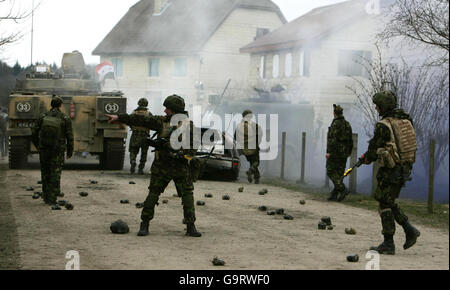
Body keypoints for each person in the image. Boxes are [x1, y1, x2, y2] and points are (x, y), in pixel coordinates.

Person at [105, 94, 202, 237]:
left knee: (186, 196)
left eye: (167, 109)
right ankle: (145, 224)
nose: (165, 111)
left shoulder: (188, 126)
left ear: (174, 110)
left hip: (178, 166)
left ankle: (190, 225)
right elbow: (141, 119)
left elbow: (193, 148)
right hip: (163, 166)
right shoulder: (163, 122)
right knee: (153, 194)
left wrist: (179, 153)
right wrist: (120, 118)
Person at [360, 91, 420, 255]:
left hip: (391, 169)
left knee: (384, 201)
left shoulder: (384, 124)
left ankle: (390, 241)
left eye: (378, 105)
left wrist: (367, 157)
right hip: (405, 168)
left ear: (384, 106)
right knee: (386, 199)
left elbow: (375, 146)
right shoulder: (406, 120)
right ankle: (408, 231)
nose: (376, 108)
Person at [32, 95, 74, 205]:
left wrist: (37, 145)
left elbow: (34, 132)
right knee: (55, 172)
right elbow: (70, 136)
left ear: (51, 105)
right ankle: (53, 197)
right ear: (61, 105)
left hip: (44, 148)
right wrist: (70, 151)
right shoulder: (65, 118)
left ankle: (46, 197)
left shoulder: (43, 116)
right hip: (58, 149)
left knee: (45, 172)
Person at [326, 104, 353, 201]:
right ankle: (334, 194)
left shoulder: (335, 124)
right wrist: (349, 151)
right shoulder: (347, 124)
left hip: (335, 152)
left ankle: (342, 189)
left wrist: (329, 152)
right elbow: (351, 139)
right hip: (344, 152)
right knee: (339, 173)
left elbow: (332, 140)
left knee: (330, 171)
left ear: (334, 113)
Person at [234, 110, 263, 184]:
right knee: (256, 162)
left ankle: (256, 178)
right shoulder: (254, 125)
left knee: (252, 162)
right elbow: (259, 134)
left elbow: (235, 137)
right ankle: (251, 171)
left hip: (244, 149)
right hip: (253, 147)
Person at [129, 98, 152, 174]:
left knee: (133, 151)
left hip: (135, 134)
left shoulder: (134, 113)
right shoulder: (149, 114)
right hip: (144, 135)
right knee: (144, 152)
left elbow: (129, 121)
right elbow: (153, 123)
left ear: (138, 103)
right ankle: (140, 169)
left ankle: (133, 161)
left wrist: (133, 127)